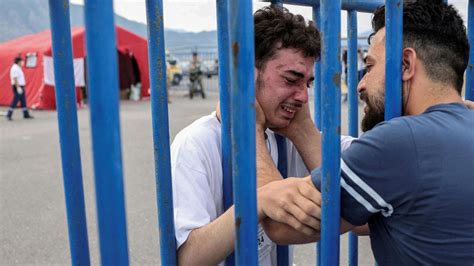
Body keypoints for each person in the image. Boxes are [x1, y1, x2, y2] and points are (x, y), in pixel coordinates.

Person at [258, 1, 474, 265]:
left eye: (370, 67)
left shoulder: (402, 140)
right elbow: (365, 218)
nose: (361, 84)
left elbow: (281, 224)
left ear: (405, 65)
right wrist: (303, 129)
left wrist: (247, 126)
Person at [170, 6, 337, 265]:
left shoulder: (287, 136)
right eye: (292, 79)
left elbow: (352, 193)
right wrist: (256, 202)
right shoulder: (196, 142)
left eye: (308, 83)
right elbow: (188, 258)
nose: (304, 97)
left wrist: (304, 131)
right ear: (247, 74)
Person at [6, 56, 33, 120]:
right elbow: (15, 78)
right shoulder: (15, 68)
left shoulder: (18, 68)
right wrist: (18, 87)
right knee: (15, 100)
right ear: (18, 62)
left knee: (23, 100)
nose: (23, 62)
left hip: (21, 86)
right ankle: (9, 114)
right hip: (17, 86)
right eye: (22, 61)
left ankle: (25, 114)